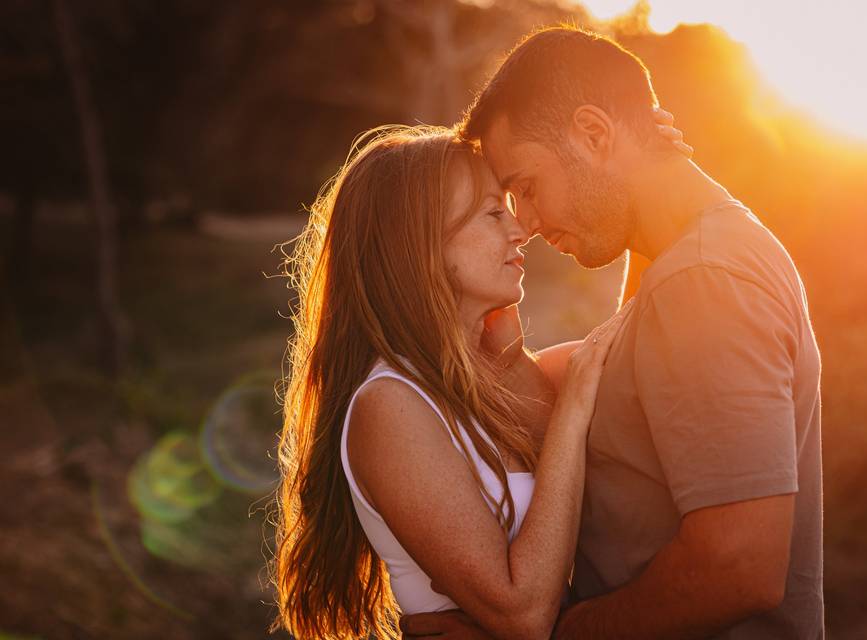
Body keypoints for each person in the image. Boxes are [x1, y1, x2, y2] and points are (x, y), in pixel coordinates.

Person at [401, 26, 824, 640]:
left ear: (594, 133)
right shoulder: (684, 264)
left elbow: (738, 565)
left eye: (526, 187)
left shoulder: (704, 280)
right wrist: (642, 176)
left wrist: (564, 634)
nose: (530, 223)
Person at [269, 121, 688, 640]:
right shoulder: (391, 406)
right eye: (494, 214)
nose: (520, 230)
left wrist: (644, 171)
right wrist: (573, 406)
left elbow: (639, 348)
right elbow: (523, 615)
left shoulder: (499, 377)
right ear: (419, 245)